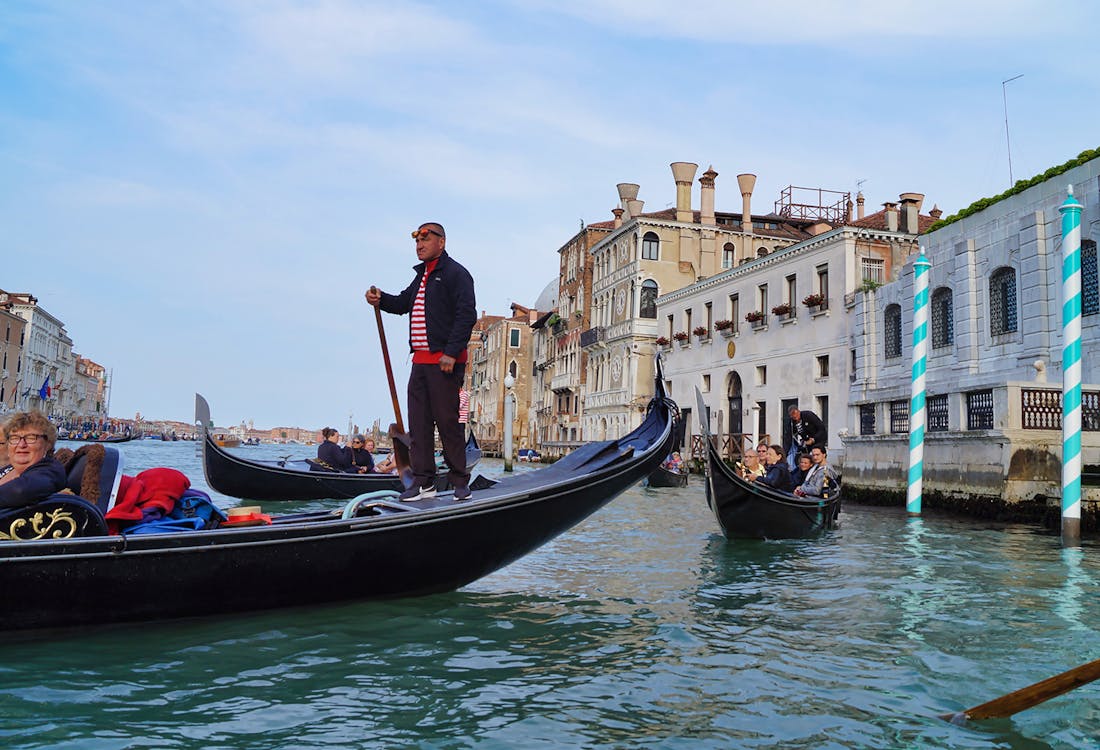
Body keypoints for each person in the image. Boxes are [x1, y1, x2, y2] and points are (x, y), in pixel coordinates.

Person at [366, 222, 477, 502]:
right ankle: (423, 482)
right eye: (417, 241)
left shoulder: (456, 274)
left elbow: (467, 315)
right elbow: (404, 303)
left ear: (442, 242)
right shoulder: (421, 277)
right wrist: (381, 300)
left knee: (448, 422)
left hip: (444, 361)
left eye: (426, 240)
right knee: (419, 424)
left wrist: (451, 353)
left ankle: (460, 482)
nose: (420, 245)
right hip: (420, 363)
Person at [0, 410, 66, 509]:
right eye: (15, 438)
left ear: (48, 444)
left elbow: (20, 491)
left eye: (31, 437)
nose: (21, 444)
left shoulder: (50, 470)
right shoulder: (9, 469)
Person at [787, 405, 828, 470]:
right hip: (806, 442)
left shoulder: (808, 415)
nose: (795, 417)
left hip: (818, 440)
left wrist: (813, 439)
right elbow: (789, 435)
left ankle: (821, 469)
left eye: (795, 414)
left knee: (815, 456)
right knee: (798, 458)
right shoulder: (792, 422)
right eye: (792, 416)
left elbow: (821, 428)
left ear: (798, 411)